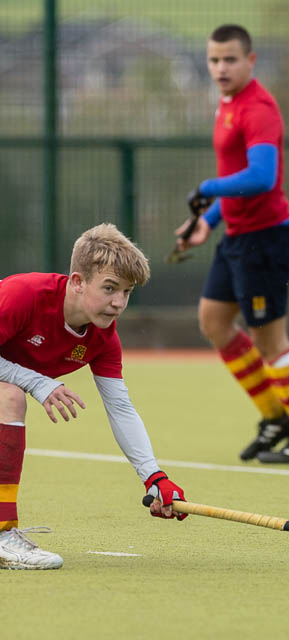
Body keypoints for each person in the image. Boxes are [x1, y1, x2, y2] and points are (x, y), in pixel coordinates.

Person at [175, 24, 289, 463]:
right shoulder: (228, 104)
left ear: (251, 61)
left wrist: (206, 187)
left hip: (266, 240)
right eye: (213, 60)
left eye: (230, 59)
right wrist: (206, 221)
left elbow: (262, 177)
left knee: (271, 343)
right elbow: (237, 185)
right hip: (237, 236)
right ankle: (275, 417)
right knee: (214, 322)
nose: (220, 68)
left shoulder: (258, 108)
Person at [0, 224, 189, 570]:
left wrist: (154, 477)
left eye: (127, 292)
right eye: (109, 288)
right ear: (77, 282)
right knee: (10, 397)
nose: (118, 303)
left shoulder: (103, 340)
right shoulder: (23, 295)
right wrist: (38, 383)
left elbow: (120, 407)